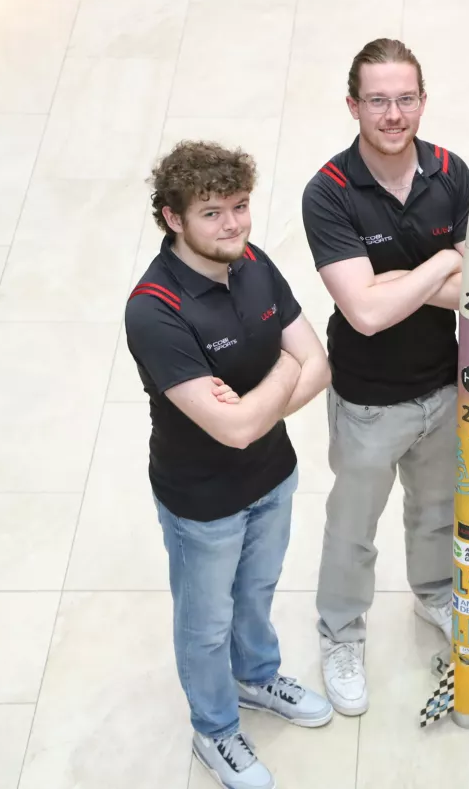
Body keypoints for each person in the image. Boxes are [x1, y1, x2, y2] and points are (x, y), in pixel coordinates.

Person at [125, 140, 333, 789]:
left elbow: (319, 365)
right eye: (212, 212)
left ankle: (258, 675)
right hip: (202, 501)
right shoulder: (155, 309)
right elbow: (235, 428)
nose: (233, 224)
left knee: (257, 592)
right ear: (172, 218)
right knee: (206, 621)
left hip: (273, 474)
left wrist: (254, 403)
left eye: (239, 206)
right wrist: (281, 369)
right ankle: (214, 728)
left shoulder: (253, 262)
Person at [300, 37, 469, 717]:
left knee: (435, 511)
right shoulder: (329, 193)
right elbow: (366, 314)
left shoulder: (451, 172)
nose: (393, 113)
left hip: (443, 385)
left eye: (406, 99)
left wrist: (397, 281)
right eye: (378, 100)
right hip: (368, 400)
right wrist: (439, 263)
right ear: (353, 105)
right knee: (353, 528)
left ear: (423, 101)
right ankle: (340, 633)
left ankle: (434, 593)